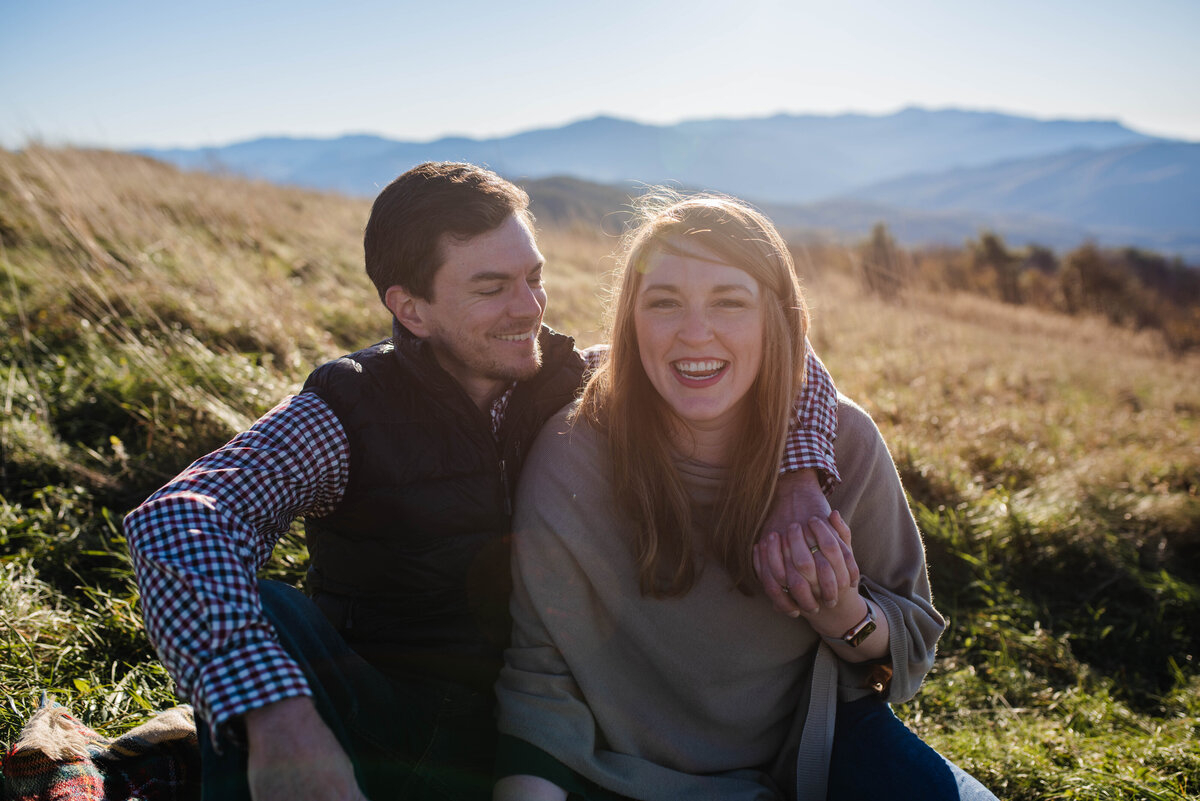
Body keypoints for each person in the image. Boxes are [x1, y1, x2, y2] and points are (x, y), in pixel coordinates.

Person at [123, 163, 843, 801]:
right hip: (384, 721)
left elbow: (776, 349)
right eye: (492, 288)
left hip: (556, 729)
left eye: (534, 278)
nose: (529, 308)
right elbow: (180, 519)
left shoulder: (578, 379)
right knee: (268, 623)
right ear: (411, 308)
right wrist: (282, 717)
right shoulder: (348, 413)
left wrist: (798, 474)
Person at [493, 193, 999, 800]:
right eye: (664, 302)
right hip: (628, 779)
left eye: (729, 302)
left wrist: (840, 612)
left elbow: (905, 657)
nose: (695, 332)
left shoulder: (845, 442)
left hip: (818, 749)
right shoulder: (573, 450)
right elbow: (541, 677)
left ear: (776, 320)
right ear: (630, 319)